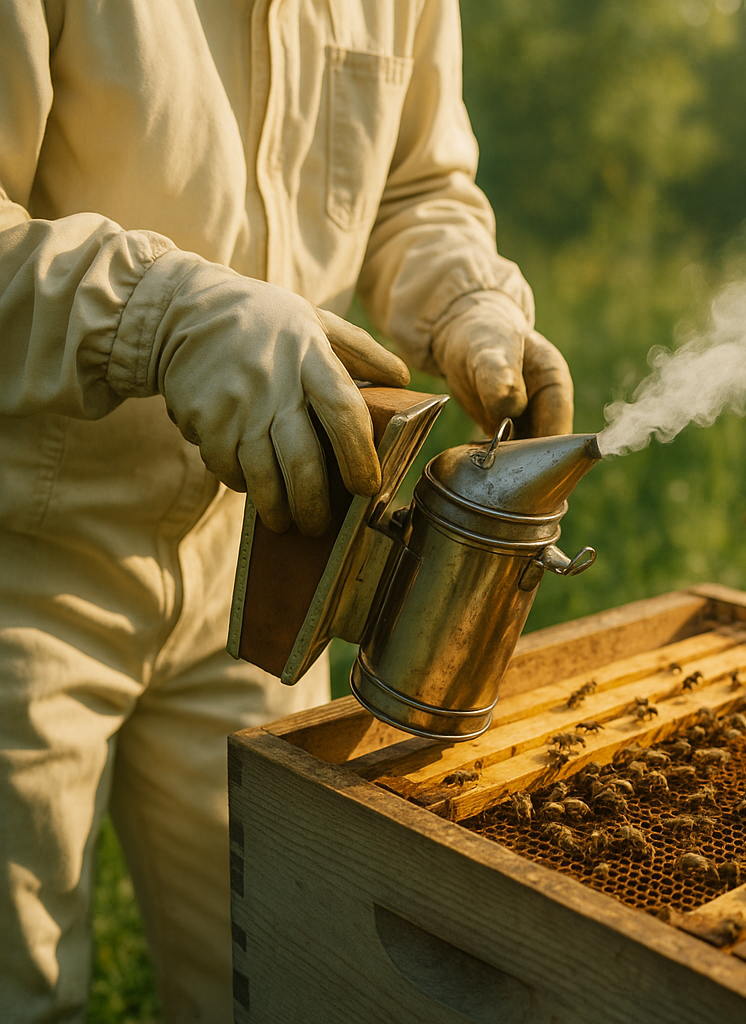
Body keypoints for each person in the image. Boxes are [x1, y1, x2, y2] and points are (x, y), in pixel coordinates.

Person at [0, 2, 573, 1020]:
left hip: (265, 562)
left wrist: (467, 299)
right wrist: (158, 312)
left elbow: (416, 186)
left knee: (276, 982)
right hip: (23, 557)